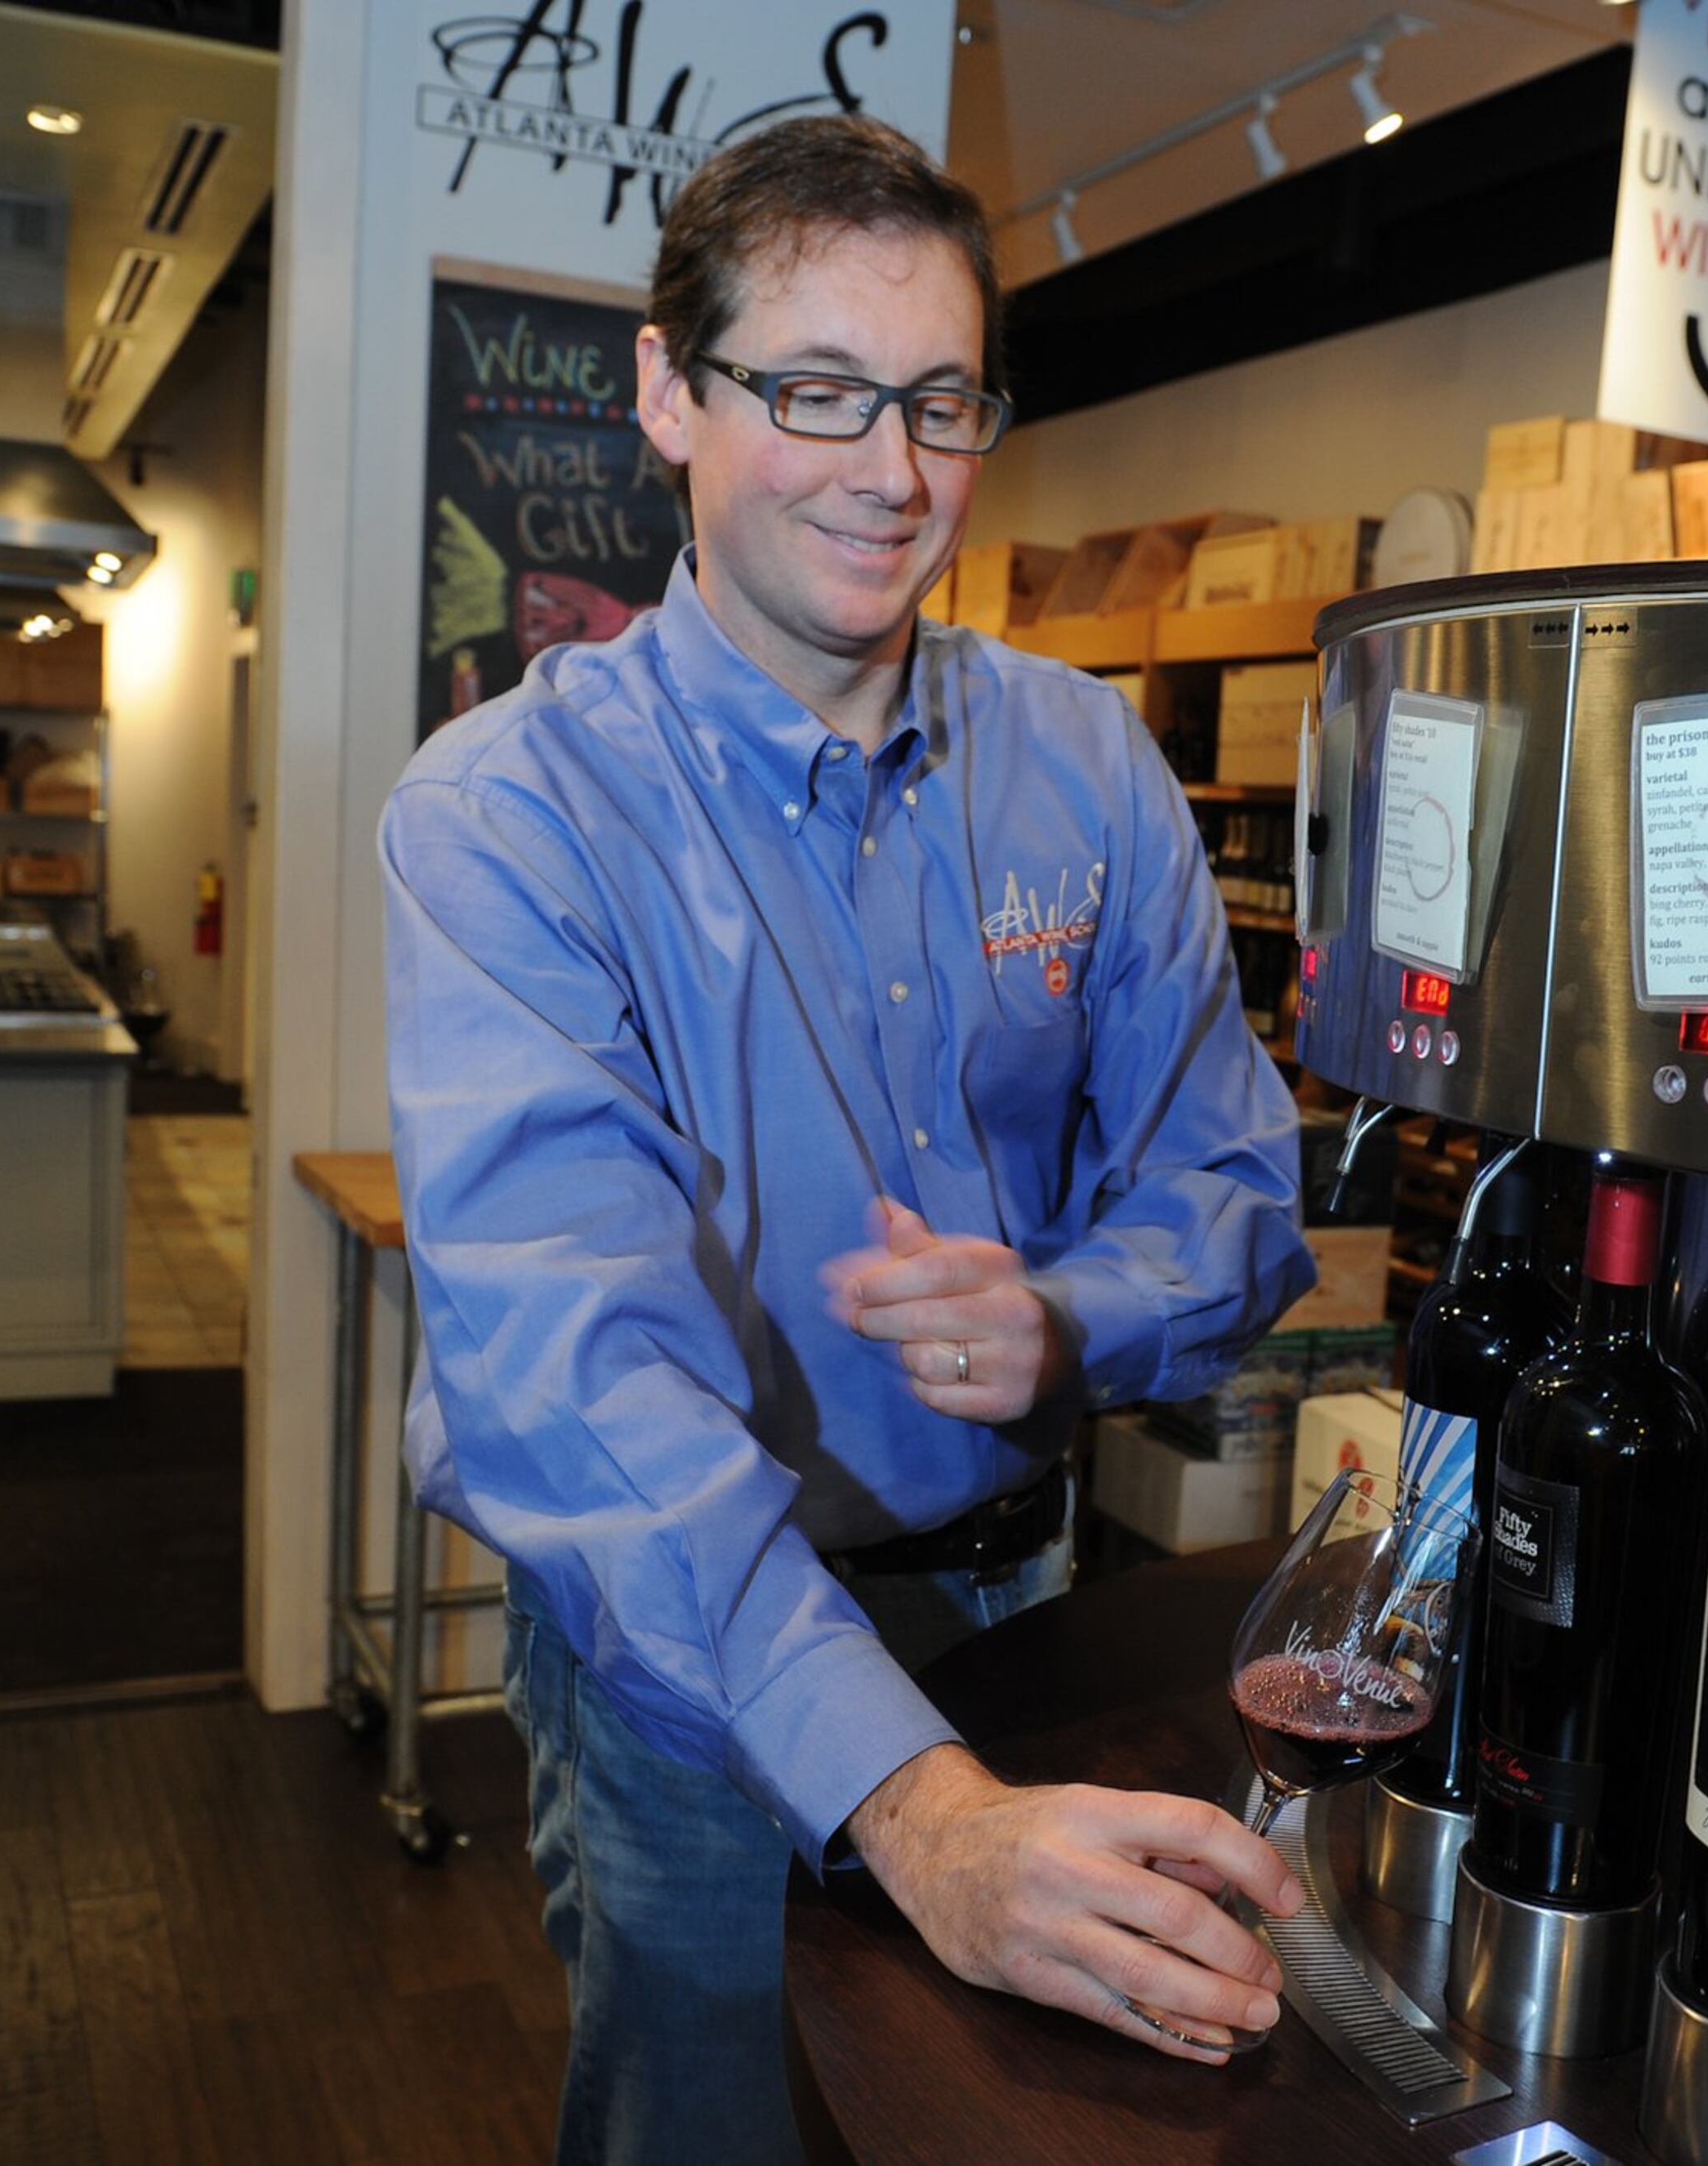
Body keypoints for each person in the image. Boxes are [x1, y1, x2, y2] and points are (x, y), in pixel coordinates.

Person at [378, 114, 1318, 2166]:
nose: (888, 474)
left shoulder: (1090, 764)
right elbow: (576, 1388)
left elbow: (1238, 1195)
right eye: (814, 391)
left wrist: (1073, 1315)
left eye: (939, 403)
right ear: (666, 391)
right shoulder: (507, 822)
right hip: (689, 1691)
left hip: (1041, 1622)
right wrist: (914, 1806)